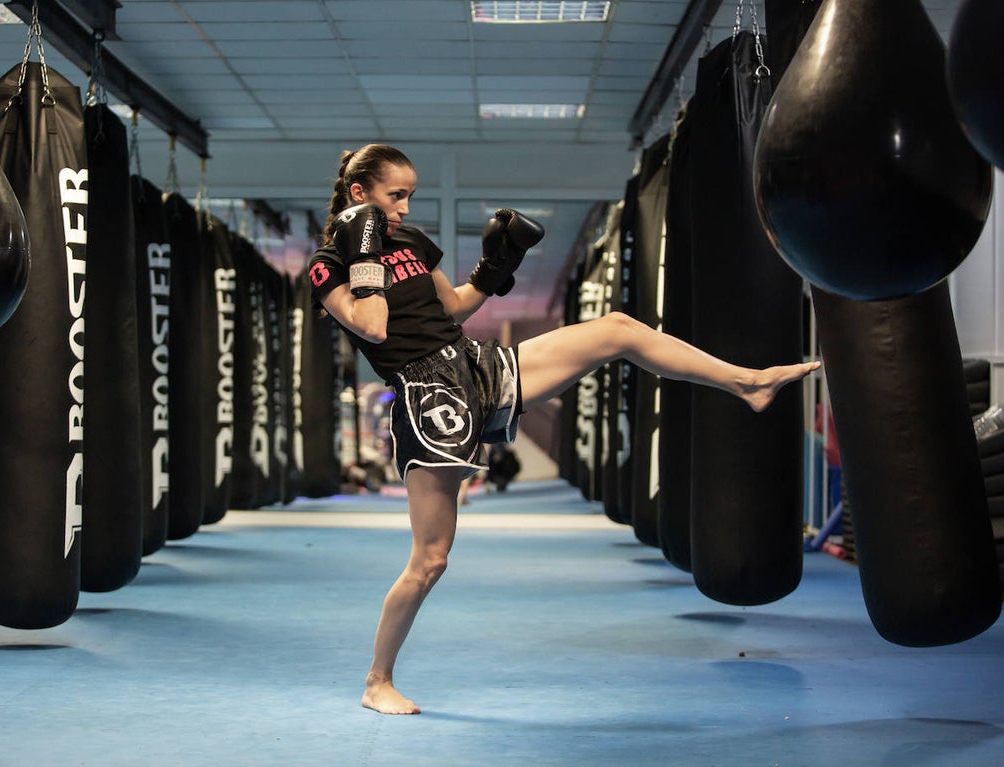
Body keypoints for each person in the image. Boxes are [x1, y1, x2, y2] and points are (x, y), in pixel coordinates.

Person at [307, 143, 820, 716]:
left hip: (475, 364)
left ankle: (746, 382)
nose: (404, 208)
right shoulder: (328, 265)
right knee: (431, 560)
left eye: (410, 195)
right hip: (427, 396)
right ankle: (377, 681)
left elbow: (451, 308)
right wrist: (364, 249)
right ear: (360, 194)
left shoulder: (410, 241)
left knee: (617, 329)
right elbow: (374, 326)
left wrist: (495, 266)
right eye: (395, 196)